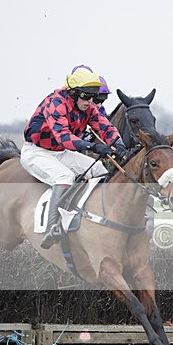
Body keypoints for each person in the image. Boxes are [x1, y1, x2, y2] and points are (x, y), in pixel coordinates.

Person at [21, 66, 128, 249]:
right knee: (65, 177)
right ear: (73, 93)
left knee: (101, 171)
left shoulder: (88, 107)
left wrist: (118, 144)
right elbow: (63, 137)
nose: (90, 101)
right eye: (86, 96)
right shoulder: (55, 102)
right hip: (36, 152)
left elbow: (105, 127)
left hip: (60, 153)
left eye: (93, 97)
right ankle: (51, 227)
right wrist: (93, 146)